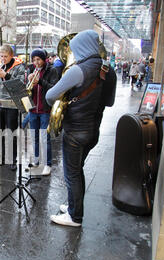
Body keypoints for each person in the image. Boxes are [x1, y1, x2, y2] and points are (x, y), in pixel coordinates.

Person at [45, 30, 116, 227]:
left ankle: (75, 217)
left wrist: (67, 97)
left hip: (75, 132)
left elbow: (50, 96)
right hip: (94, 131)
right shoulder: (108, 70)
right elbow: (109, 102)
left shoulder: (78, 70)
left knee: (72, 174)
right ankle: (74, 207)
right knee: (77, 171)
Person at [0, 44, 25, 171]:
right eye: (1, 56)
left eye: (5, 56)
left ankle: (12, 160)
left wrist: (6, 75)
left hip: (12, 104)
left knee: (11, 133)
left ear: (11, 56)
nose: (2, 59)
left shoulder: (19, 67)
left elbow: (20, 85)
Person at [26, 49, 59, 176]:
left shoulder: (52, 71)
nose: (36, 62)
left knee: (45, 138)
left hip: (45, 109)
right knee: (34, 137)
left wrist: (39, 81)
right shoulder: (31, 70)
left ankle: (48, 164)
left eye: (38, 59)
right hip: (33, 109)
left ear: (44, 59)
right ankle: (36, 161)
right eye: (34, 60)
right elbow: (28, 89)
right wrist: (28, 82)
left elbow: (54, 88)